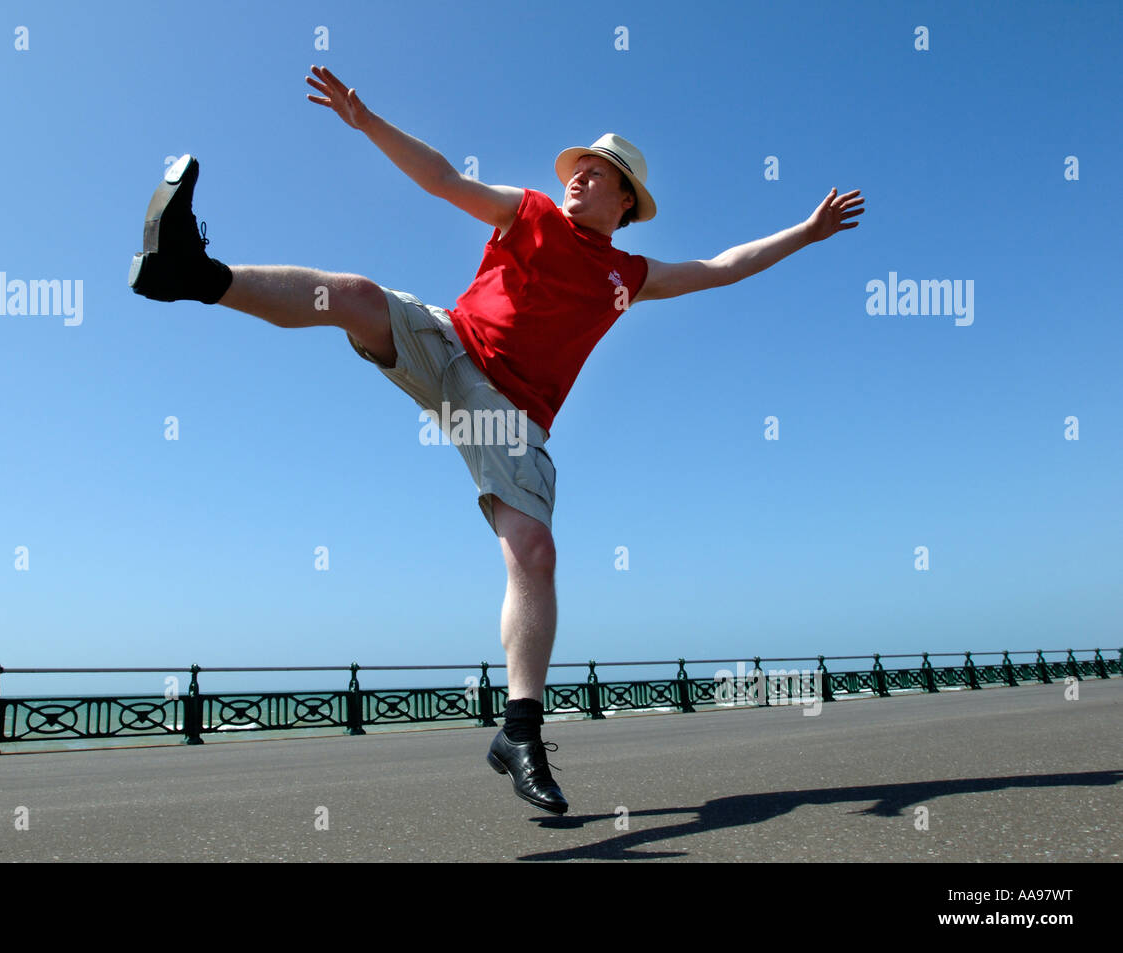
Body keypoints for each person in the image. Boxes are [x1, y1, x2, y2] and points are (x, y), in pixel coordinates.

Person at [128, 65, 864, 815]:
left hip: (509, 412)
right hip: (449, 342)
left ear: (626, 202)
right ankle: (190, 273)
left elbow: (720, 268)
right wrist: (368, 120)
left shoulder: (628, 274)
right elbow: (444, 178)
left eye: (598, 173)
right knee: (351, 296)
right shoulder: (531, 211)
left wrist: (806, 232)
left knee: (534, 551)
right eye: (579, 166)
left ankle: (519, 732)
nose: (579, 176)